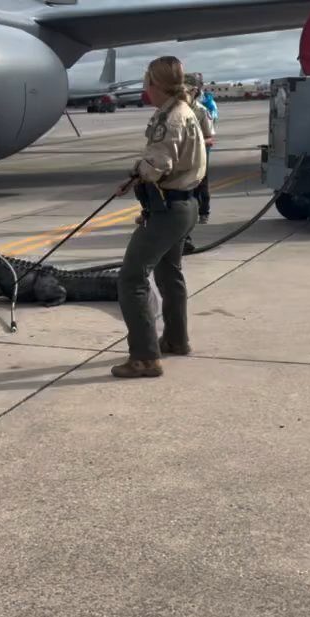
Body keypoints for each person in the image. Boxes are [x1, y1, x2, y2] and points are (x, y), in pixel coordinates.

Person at [111, 56, 206, 379]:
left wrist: (138, 171)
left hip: (171, 208)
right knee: (169, 273)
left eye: (146, 83)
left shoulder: (171, 118)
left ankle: (144, 357)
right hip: (183, 205)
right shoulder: (185, 110)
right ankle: (177, 339)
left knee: (131, 278)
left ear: (157, 84)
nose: (144, 89)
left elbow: (157, 166)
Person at [188, 74, 217, 225]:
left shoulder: (204, 109)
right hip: (184, 156)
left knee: (201, 185)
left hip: (200, 154)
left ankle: (203, 212)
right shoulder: (180, 108)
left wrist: (196, 143)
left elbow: (211, 138)